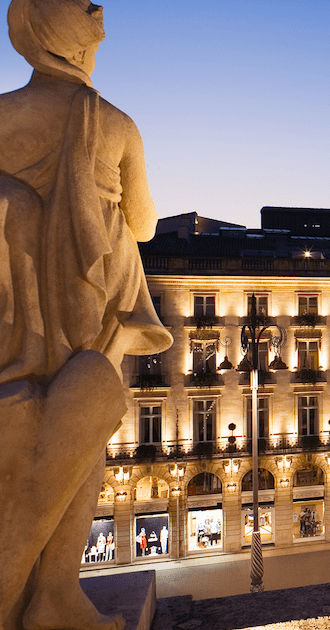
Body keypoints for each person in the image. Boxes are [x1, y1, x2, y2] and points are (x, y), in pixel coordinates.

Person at [0, 1, 171, 626]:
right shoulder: (115, 124)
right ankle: (52, 593)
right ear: (74, 41)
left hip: (9, 312)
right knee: (79, 436)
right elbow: (146, 224)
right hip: (81, 310)